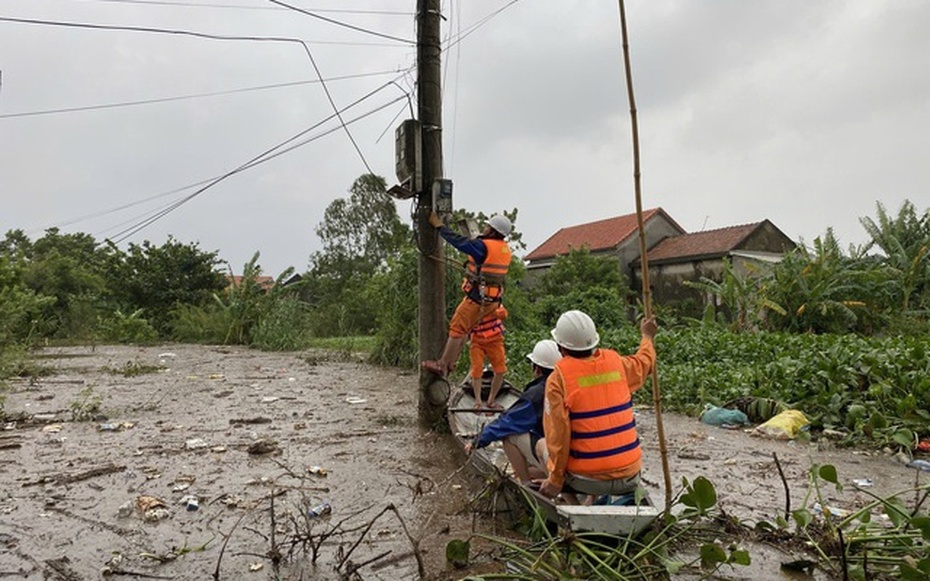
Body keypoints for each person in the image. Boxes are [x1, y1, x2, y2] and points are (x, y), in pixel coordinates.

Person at [536, 310, 657, 501]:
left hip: (587, 480)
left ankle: (573, 506)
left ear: (561, 347)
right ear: (595, 342)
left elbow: (558, 437)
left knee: (540, 444)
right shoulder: (617, 363)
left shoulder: (558, 379)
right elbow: (645, 362)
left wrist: (555, 480)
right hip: (630, 476)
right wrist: (647, 336)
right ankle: (592, 501)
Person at [421, 211, 513, 378]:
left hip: (477, 299)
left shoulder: (482, 247)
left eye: (488, 227)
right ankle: (450, 363)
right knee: (464, 330)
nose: (484, 229)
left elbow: (460, 242)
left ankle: (442, 364)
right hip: (492, 301)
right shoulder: (504, 249)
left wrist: (440, 226)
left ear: (492, 231)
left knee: (457, 328)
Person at [464, 340, 562, 484]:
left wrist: (478, 440)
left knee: (509, 435)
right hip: (571, 455)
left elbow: (508, 422)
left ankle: (526, 484)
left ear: (537, 369)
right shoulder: (567, 384)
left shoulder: (536, 394)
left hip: (555, 455)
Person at [468, 305, 508, 410]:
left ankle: (491, 400)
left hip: (495, 340)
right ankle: (478, 401)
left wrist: (490, 311)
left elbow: (504, 314)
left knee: (500, 370)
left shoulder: (495, 303)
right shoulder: (472, 304)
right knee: (476, 370)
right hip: (477, 340)